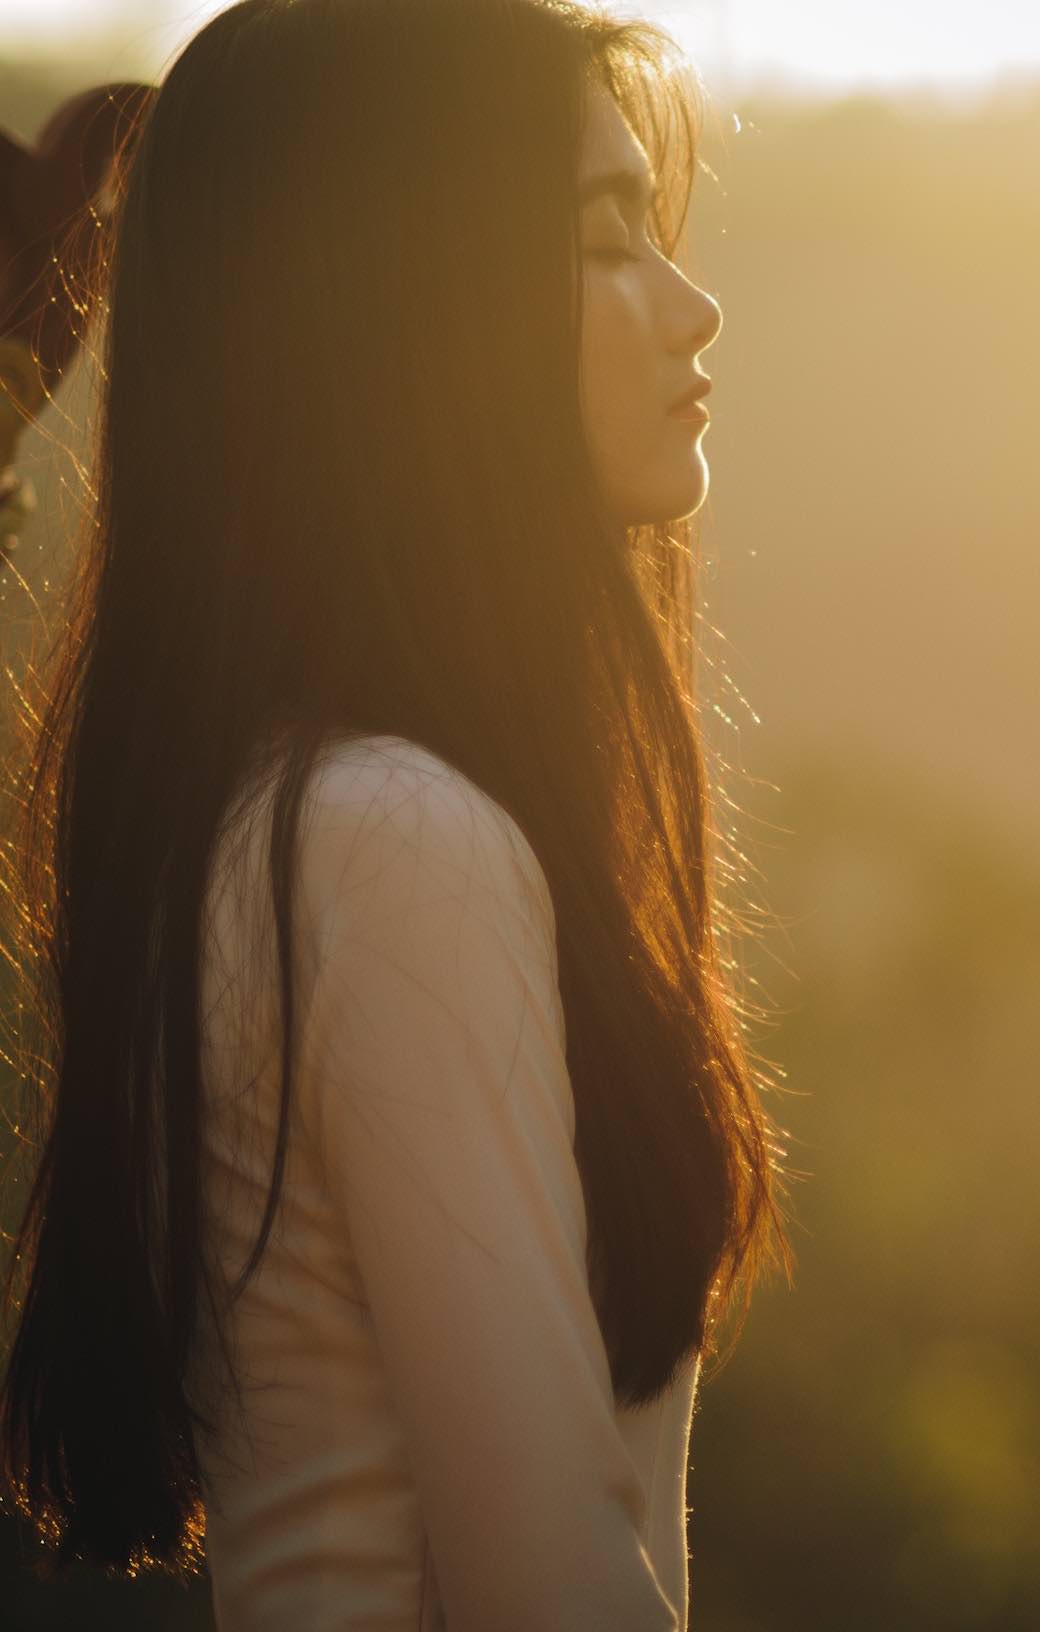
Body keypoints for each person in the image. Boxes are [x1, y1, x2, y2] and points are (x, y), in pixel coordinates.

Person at [0, 1, 793, 1626]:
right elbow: (547, 1571)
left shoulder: (313, 811)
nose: (693, 306)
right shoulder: (389, 836)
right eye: (607, 242)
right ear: (411, 316)